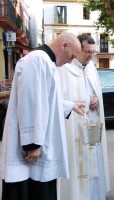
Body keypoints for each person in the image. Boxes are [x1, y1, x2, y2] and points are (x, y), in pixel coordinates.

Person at [1, 32, 86, 200]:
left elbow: (46, 100)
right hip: (31, 147)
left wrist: (70, 105)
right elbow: (30, 102)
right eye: (72, 56)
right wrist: (33, 144)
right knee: (30, 190)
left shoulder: (45, 62)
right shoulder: (38, 60)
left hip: (39, 144)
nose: (71, 61)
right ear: (64, 46)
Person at [57, 34, 110, 200]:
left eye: (92, 52)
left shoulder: (91, 68)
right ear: (78, 49)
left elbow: (95, 93)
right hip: (72, 126)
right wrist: (84, 101)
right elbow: (59, 98)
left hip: (91, 124)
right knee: (76, 164)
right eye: (87, 51)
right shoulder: (64, 69)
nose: (90, 55)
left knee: (94, 161)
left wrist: (95, 99)